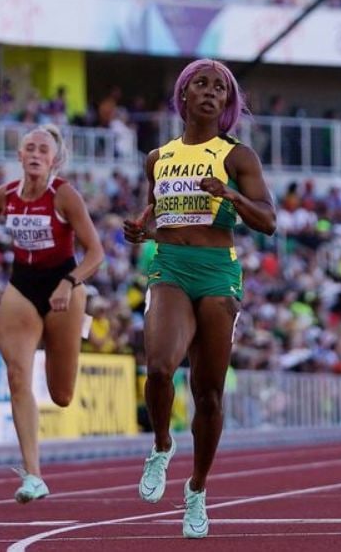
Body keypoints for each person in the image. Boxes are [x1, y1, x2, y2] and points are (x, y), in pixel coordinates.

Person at [123, 59, 276, 539]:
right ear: (183, 96)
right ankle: (162, 445)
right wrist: (142, 228)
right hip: (169, 266)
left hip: (216, 273)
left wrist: (229, 194)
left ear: (227, 104)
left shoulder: (237, 156)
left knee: (208, 393)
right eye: (201, 85)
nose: (211, 92)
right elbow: (158, 217)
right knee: (161, 366)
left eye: (220, 88)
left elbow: (268, 221)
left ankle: (197, 489)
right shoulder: (158, 158)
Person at [0, 124, 105, 503]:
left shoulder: (65, 196)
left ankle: (77, 327)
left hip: (65, 287)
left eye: (43, 149)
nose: (35, 154)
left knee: (61, 394)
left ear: (54, 159)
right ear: (19, 156)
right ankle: (33, 475)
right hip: (22, 287)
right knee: (16, 375)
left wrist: (70, 283)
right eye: (30, 147)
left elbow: (96, 252)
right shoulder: (5, 195)